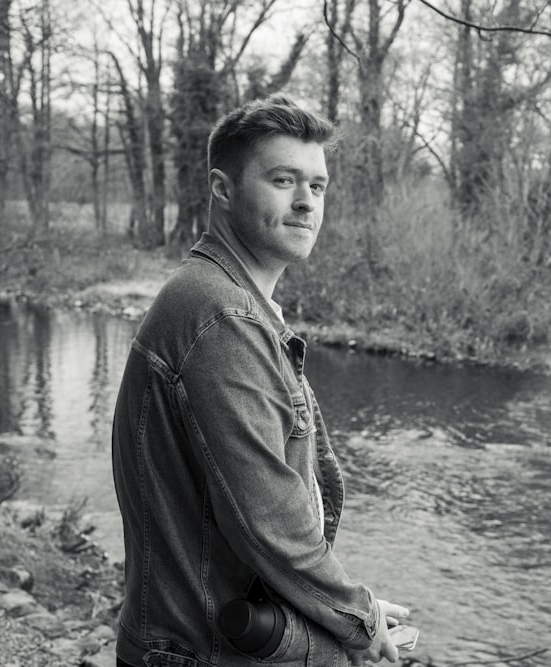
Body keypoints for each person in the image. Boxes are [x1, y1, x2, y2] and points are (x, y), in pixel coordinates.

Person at [111, 94, 409, 667]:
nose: (306, 203)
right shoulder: (220, 317)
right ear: (223, 190)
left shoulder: (231, 304)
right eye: (282, 180)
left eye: (317, 186)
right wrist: (358, 618)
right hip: (198, 654)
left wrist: (346, 608)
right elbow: (268, 520)